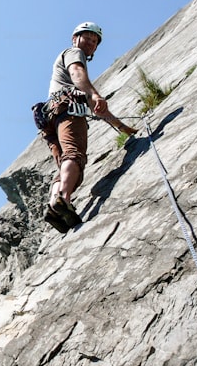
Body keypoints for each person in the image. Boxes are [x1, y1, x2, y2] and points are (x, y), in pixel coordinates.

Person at [42, 21, 139, 234]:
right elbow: (77, 73)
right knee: (74, 156)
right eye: (88, 38)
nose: (91, 44)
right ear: (75, 38)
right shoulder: (73, 53)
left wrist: (123, 128)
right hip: (67, 111)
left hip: (52, 118)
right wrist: (94, 93)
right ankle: (63, 200)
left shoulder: (69, 77)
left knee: (67, 166)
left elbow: (99, 111)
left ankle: (54, 207)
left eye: (95, 42)